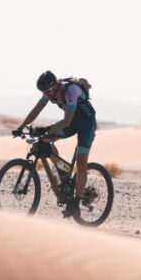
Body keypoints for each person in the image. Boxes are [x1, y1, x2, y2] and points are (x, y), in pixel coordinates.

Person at [13, 70, 96, 218]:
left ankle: (75, 205)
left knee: (81, 161)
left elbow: (66, 121)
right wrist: (20, 127)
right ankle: (63, 170)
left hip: (86, 124)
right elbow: (36, 110)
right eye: (45, 92)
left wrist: (46, 128)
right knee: (45, 140)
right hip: (72, 122)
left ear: (56, 86)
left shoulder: (71, 90)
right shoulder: (48, 92)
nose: (48, 95)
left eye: (49, 92)